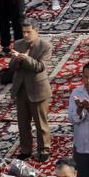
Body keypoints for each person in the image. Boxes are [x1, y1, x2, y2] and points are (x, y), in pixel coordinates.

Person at [10, 20, 53, 161]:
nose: (26, 35)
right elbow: (12, 67)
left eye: (29, 32)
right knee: (23, 123)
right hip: (21, 89)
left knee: (40, 122)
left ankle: (44, 149)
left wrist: (26, 58)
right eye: (24, 32)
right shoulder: (18, 44)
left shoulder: (45, 46)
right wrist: (17, 59)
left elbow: (40, 67)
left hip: (37, 90)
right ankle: (26, 149)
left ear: (36, 31)